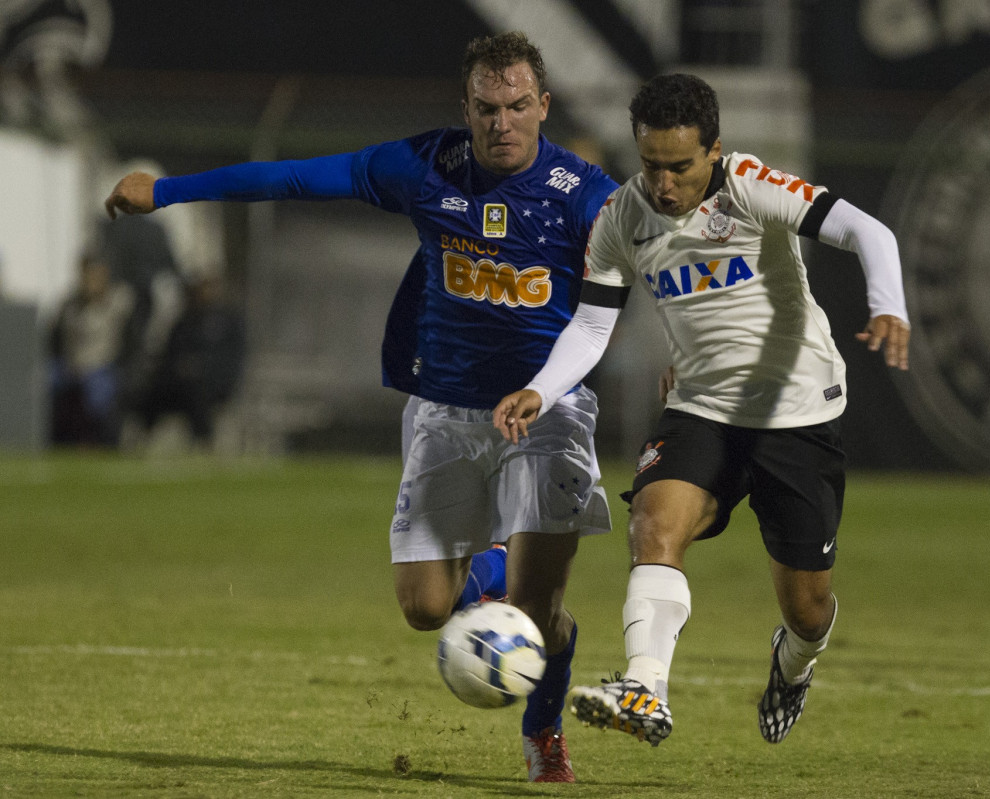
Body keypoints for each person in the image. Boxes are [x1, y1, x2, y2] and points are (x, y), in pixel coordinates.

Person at [104, 32, 617, 782]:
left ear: (543, 105)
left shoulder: (588, 196)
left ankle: (543, 736)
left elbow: (647, 279)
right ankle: (495, 560)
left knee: (537, 615)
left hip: (546, 415)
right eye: (485, 108)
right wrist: (170, 189)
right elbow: (294, 178)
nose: (500, 122)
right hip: (443, 410)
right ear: (465, 108)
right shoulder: (424, 167)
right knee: (423, 608)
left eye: (515, 106)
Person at [492, 73, 910, 747]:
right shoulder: (622, 218)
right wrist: (542, 387)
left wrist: (888, 304)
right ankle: (645, 687)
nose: (664, 183)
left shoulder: (752, 187)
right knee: (653, 526)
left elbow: (868, 230)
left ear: (714, 150)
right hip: (701, 411)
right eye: (651, 163)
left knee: (807, 608)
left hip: (796, 415)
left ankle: (795, 664)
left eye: (680, 166)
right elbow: (593, 326)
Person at [132, 274, 246, 447]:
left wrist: (202, 368)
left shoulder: (230, 322)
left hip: (214, 384)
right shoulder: (185, 321)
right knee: (152, 390)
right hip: (179, 382)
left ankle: (203, 441)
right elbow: (170, 354)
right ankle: (141, 438)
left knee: (197, 391)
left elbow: (231, 360)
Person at [48, 253, 137, 447]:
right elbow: (55, 341)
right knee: (45, 380)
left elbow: (130, 344)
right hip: (70, 366)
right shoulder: (70, 305)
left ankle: (101, 440)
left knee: (99, 390)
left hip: (103, 367)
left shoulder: (119, 303)